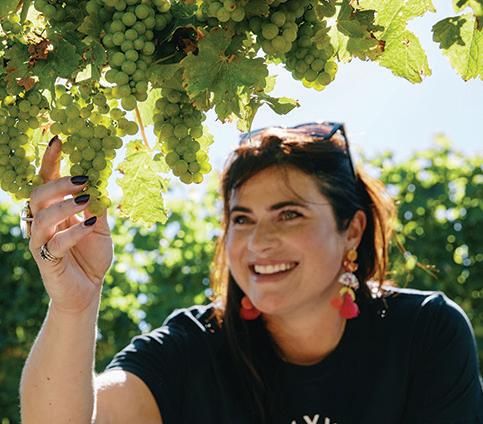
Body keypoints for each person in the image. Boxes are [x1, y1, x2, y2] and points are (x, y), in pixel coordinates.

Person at [19, 122, 483, 424]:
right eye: (242, 219)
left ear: (352, 230)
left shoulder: (424, 332)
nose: (259, 241)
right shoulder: (191, 347)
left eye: (289, 214)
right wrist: (74, 306)